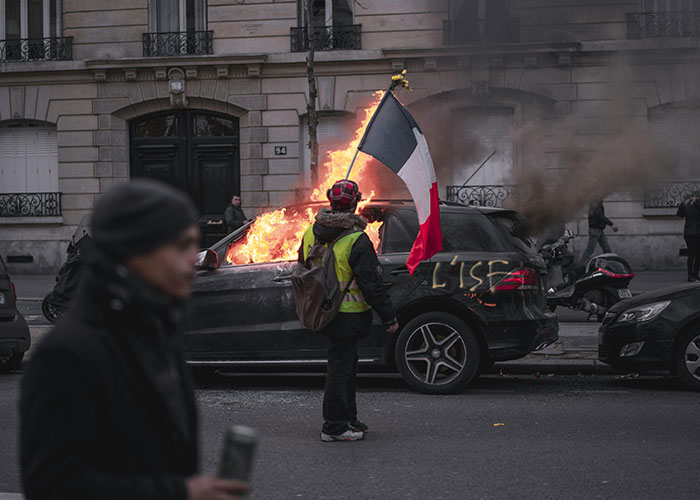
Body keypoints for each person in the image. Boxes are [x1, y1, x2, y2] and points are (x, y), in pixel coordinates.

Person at [20, 179, 249, 500]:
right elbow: (53, 486)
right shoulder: (67, 353)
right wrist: (181, 493)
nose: (193, 260)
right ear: (135, 254)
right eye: (180, 246)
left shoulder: (154, 329)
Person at [299, 179, 399, 442]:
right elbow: (371, 284)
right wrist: (389, 316)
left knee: (346, 366)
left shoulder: (311, 231)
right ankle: (333, 427)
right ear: (355, 204)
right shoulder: (357, 239)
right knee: (341, 369)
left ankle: (348, 418)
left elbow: (302, 266)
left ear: (330, 201)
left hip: (323, 310)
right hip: (349, 315)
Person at [580, 199, 619, 265]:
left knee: (606, 248)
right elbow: (600, 216)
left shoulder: (594, 202)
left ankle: (610, 265)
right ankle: (581, 265)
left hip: (598, 230)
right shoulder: (596, 202)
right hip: (596, 230)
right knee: (590, 249)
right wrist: (611, 224)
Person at [677, 191, 700, 282]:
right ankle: (690, 275)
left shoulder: (698, 207)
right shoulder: (687, 207)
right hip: (690, 234)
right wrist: (683, 203)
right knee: (692, 254)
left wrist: (697, 202)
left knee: (698, 256)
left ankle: (695, 274)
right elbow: (679, 214)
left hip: (698, 234)